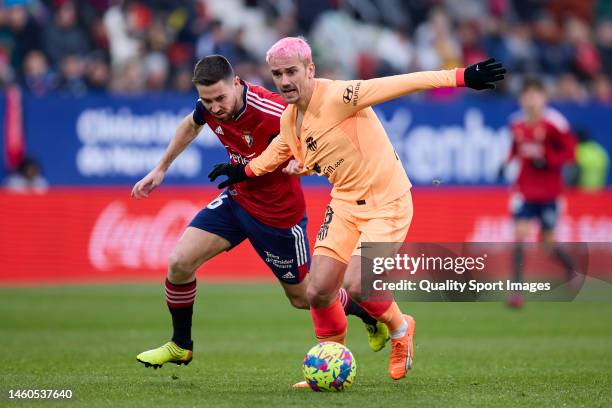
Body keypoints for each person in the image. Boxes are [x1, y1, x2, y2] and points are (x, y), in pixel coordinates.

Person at [208, 37, 505, 382]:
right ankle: (326, 365)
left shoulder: (339, 95)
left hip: (387, 201)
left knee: (359, 283)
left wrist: (461, 77)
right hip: (346, 203)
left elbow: (401, 83)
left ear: (310, 69)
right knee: (317, 291)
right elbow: (276, 153)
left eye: (292, 71)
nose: (285, 81)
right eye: (277, 74)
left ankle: (399, 329)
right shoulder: (290, 119)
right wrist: (242, 171)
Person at [131, 55, 387, 370]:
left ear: (237, 84)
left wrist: (303, 162)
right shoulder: (209, 107)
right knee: (179, 263)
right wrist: (161, 168)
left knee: (305, 297)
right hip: (237, 201)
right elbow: (191, 124)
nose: (215, 107)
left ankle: (369, 314)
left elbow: (318, 138)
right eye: (206, 100)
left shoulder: (273, 111)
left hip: (279, 218)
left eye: (220, 98)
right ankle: (181, 345)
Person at [502, 77, 578, 308]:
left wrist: (549, 161)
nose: (531, 99)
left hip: (549, 192)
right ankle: (517, 292)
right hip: (525, 190)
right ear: (521, 98)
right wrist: (506, 162)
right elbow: (516, 148)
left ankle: (571, 270)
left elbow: (570, 153)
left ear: (543, 97)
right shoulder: (515, 123)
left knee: (547, 242)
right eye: (527, 95)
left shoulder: (555, 123)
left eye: (535, 94)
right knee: (520, 236)